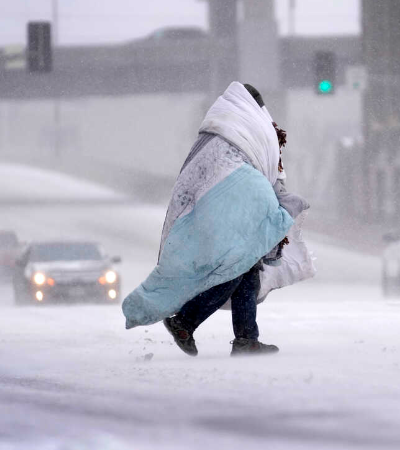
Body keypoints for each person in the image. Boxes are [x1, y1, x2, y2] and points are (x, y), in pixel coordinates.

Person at [122, 82, 314, 356]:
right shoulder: (248, 128)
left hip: (211, 209)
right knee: (235, 267)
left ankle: (246, 338)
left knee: (247, 269)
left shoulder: (218, 131)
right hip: (228, 208)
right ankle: (185, 322)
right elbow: (263, 166)